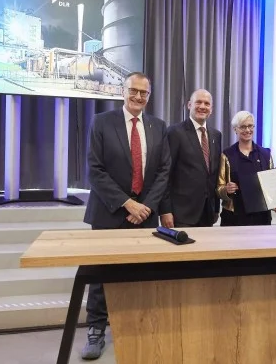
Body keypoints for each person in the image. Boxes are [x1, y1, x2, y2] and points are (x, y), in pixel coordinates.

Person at [81, 72, 171, 360]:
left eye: (144, 93)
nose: (138, 97)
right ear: (123, 91)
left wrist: (146, 206)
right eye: (133, 90)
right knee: (101, 275)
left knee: (141, 275)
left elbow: (163, 171)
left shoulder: (158, 126)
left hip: (145, 216)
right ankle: (96, 329)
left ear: (149, 96)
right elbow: (95, 170)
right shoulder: (101, 122)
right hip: (108, 212)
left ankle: (136, 327)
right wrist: (127, 204)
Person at [160, 89, 222, 228]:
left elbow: (214, 175)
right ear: (189, 105)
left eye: (207, 103)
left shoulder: (216, 135)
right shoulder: (174, 132)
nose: (202, 106)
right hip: (181, 214)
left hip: (208, 212)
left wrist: (216, 208)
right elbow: (165, 174)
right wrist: (165, 210)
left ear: (211, 109)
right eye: (198, 102)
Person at [216, 111, 276, 226]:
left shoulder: (265, 154)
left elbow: (272, 186)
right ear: (235, 129)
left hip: (261, 216)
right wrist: (226, 189)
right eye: (242, 127)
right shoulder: (227, 155)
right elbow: (219, 188)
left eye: (250, 126)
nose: (247, 130)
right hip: (234, 217)